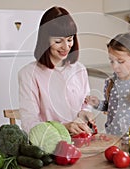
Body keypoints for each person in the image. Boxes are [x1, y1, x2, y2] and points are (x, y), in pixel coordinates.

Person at [18, 6, 93, 135]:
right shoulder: (29, 74)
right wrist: (65, 127)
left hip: (80, 142)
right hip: (48, 147)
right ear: (45, 40)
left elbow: (86, 104)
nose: (66, 46)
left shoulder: (79, 69)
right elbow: (29, 123)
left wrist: (84, 114)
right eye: (58, 41)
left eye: (70, 39)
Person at [85, 32, 130, 135]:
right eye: (112, 61)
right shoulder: (110, 83)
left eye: (120, 61)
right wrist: (98, 103)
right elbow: (109, 106)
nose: (115, 66)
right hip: (112, 136)